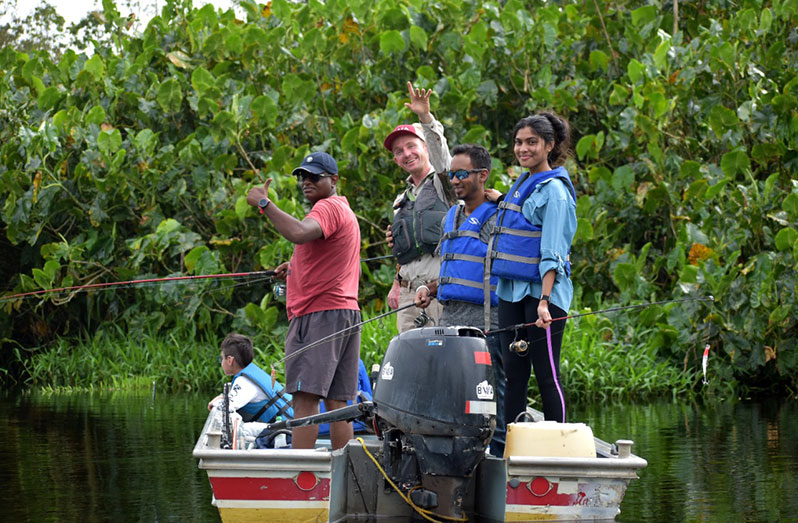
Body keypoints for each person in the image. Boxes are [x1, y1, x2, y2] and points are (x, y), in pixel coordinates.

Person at [246, 151, 361, 450]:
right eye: (302, 176)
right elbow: (323, 255)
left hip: (319, 315)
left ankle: (299, 472)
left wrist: (264, 204)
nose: (305, 181)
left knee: (304, 397)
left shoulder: (327, 208)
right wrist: (294, 268)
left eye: (314, 176)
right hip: (344, 313)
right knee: (339, 401)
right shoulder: (342, 210)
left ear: (334, 180)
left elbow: (298, 233)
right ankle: (341, 471)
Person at [413, 142, 507, 457]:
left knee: (491, 393)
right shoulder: (451, 215)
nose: (455, 180)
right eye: (452, 174)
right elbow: (455, 268)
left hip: (487, 323)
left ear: (483, 175)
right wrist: (430, 288)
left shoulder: (499, 216)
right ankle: (457, 454)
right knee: (451, 391)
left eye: (462, 174)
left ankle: (498, 454)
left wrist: (504, 201)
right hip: (450, 320)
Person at [491, 113, 577, 426]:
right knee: (514, 373)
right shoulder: (523, 184)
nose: (523, 149)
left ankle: (559, 447)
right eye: (518, 142)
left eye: (531, 143)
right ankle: (511, 446)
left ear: (549, 145)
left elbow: (552, 250)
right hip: (512, 290)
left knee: (546, 374)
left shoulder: (555, 190)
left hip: (543, 294)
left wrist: (544, 301)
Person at [384, 91, 456, 332]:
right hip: (408, 295)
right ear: (395, 160)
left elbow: (442, 157)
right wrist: (396, 284)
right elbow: (406, 250)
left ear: (424, 147)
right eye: (398, 151)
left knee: (444, 360)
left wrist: (425, 117)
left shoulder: (444, 184)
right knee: (410, 364)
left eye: (411, 146)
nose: (406, 154)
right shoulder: (400, 200)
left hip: (439, 289)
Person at [207, 333, 293, 423]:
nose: (221, 363)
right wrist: (223, 396)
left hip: (288, 429)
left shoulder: (244, 382)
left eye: (222, 359)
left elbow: (225, 407)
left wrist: (213, 403)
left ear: (229, 360)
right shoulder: (252, 372)